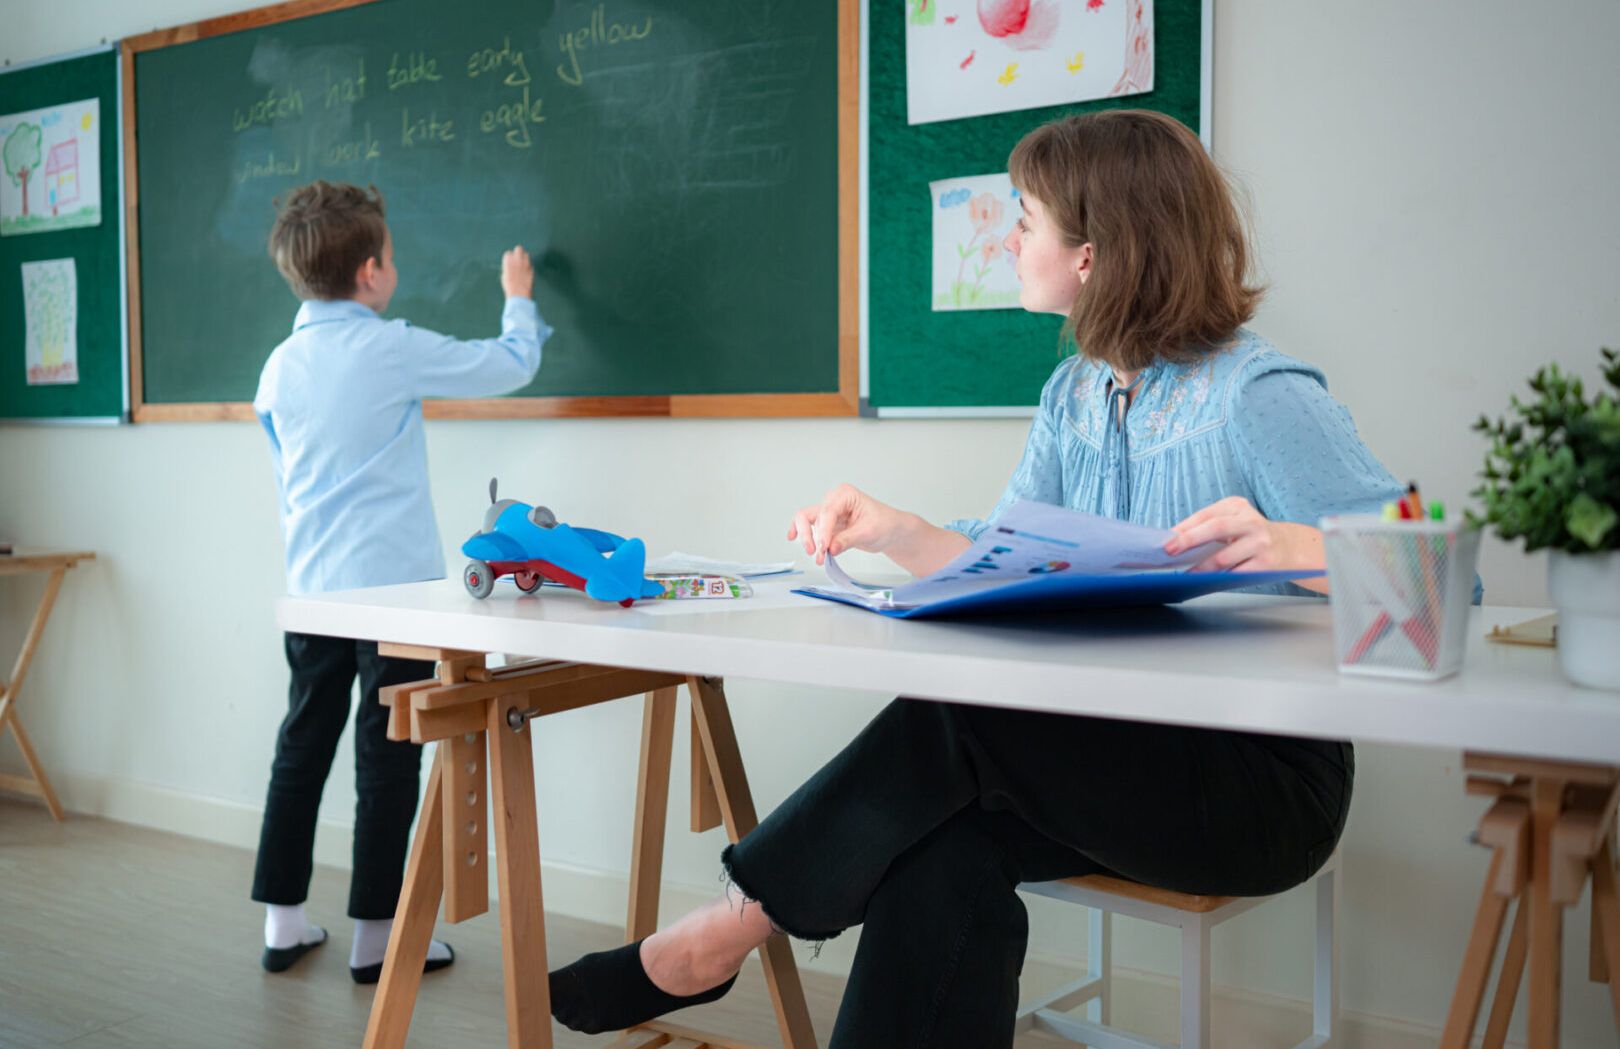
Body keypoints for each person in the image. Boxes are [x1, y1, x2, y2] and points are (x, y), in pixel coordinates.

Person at [547, 109, 1402, 1046]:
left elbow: (1441, 590)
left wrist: (1295, 548)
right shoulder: (1073, 392)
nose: (1009, 237)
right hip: (1101, 755)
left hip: (1260, 784)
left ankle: (721, 934)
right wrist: (898, 531)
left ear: (1091, 254)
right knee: (936, 850)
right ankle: (720, 939)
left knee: (963, 713)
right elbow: (1010, 558)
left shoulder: (1259, 394)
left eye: (1025, 218)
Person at [251, 180, 549, 983]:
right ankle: (377, 942)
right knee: (387, 754)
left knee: (301, 745)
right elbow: (509, 365)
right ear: (373, 272)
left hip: (311, 590)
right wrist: (518, 299)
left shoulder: (278, 368)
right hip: (396, 599)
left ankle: (282, 925)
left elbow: (287, 478)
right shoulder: (389, 345)